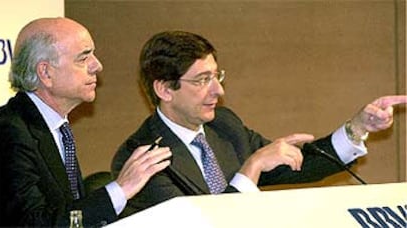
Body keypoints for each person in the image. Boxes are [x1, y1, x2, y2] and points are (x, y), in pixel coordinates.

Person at [111, 30, 407, 216]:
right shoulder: (141, 158)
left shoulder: (224, 126)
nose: (218, 91)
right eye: (203, 80)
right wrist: (251, 168)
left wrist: (358, 128)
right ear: (164, 89)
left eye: (217, 76)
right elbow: (205, 223)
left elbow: (299, 165)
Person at [0, 17, 172, 227]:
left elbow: (66, 211)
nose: (97, 66)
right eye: (83, 58)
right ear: (46, 72)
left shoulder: (55, 126)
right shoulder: (7, 131)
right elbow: (32, 223)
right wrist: (120, 189)